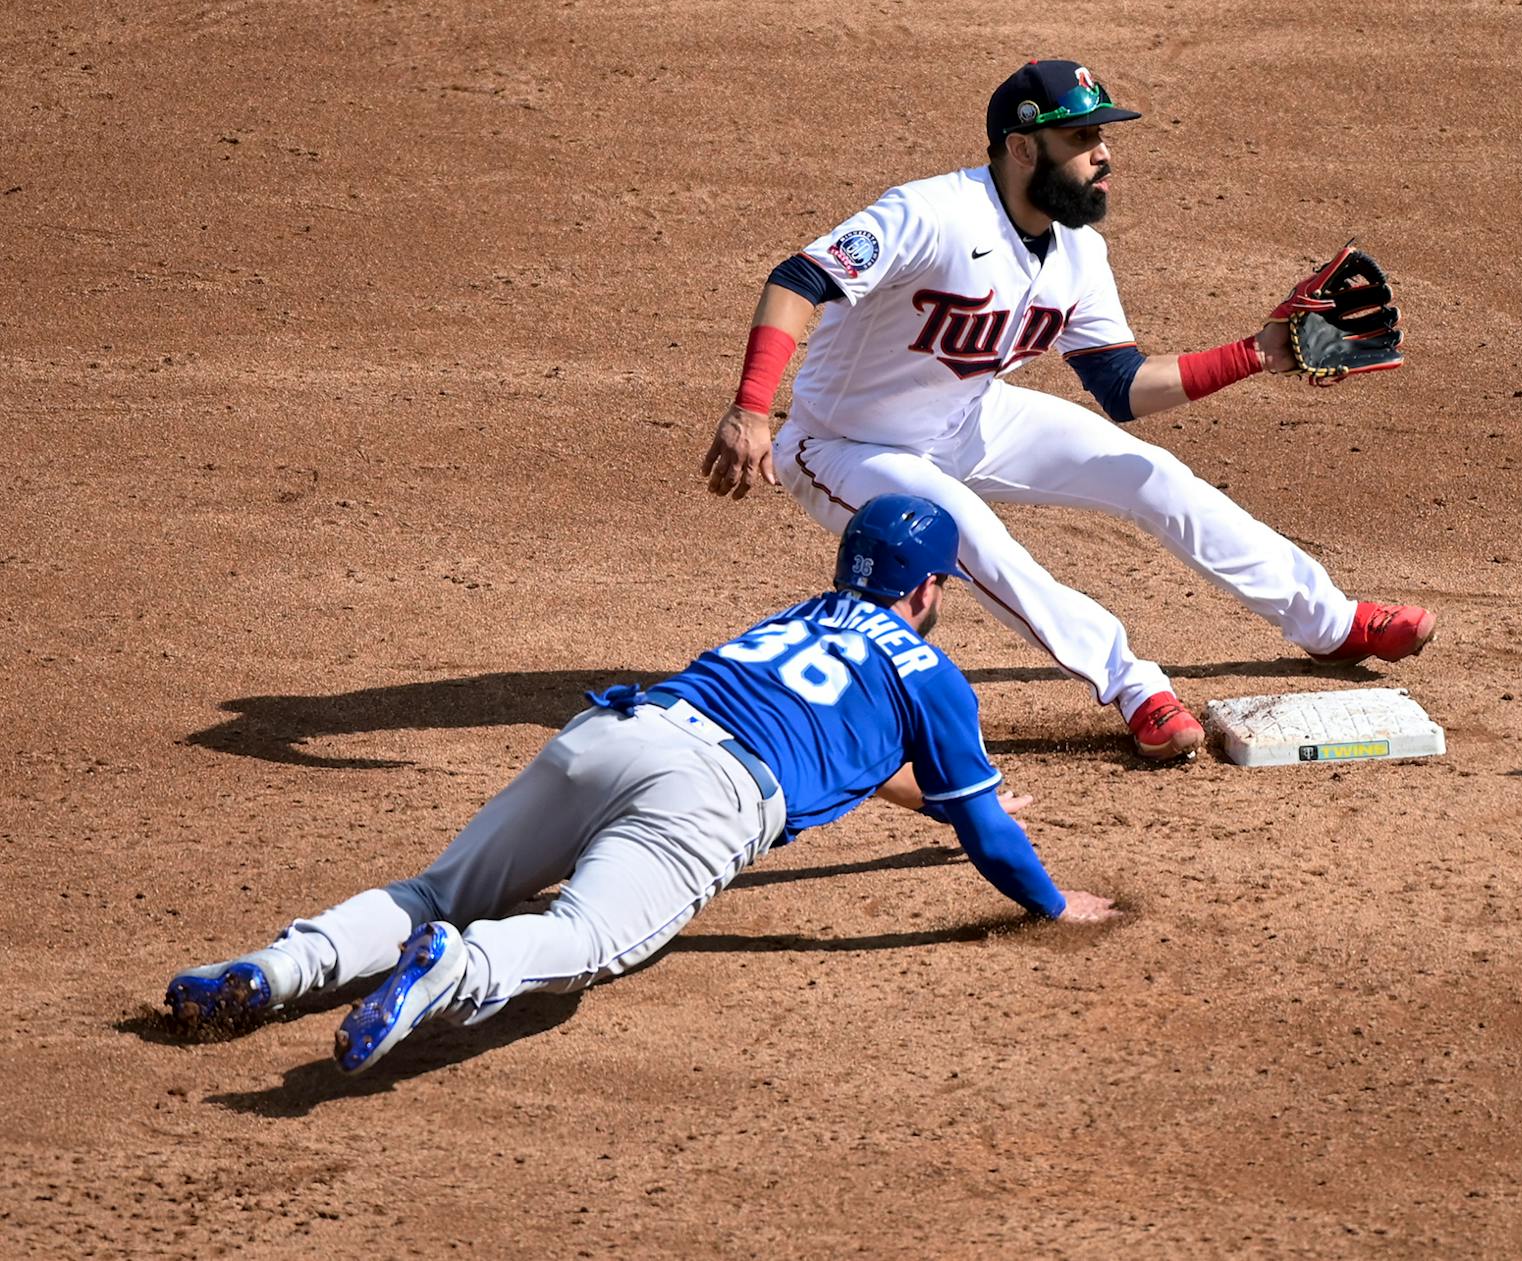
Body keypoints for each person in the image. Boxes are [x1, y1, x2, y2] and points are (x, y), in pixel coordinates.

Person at [164, 495, 1119, 1075]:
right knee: (583, 939)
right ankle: (455, 968)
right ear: (929, 590)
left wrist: (926, 798)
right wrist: (1050, 897)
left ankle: (272, 971)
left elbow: (838, 743)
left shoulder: (800, 616)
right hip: (708, 794)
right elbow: (988, 837)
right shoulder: (928, 672)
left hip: (618, 731)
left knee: (434, 887)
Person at [701, 58, 1433, 760]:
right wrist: (752, 409)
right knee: (965, 527)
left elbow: (1122, 385)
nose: (1103, 154)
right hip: (840, 443)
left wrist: (1256, 353)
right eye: (1082, 139)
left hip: (965, 417)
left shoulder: (1078, 253)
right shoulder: (931, 213)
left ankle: (1331, 623)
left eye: (1102, 136)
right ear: (1023, 147)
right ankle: (1133, 686)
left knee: (1148, 473)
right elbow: (799, 277)